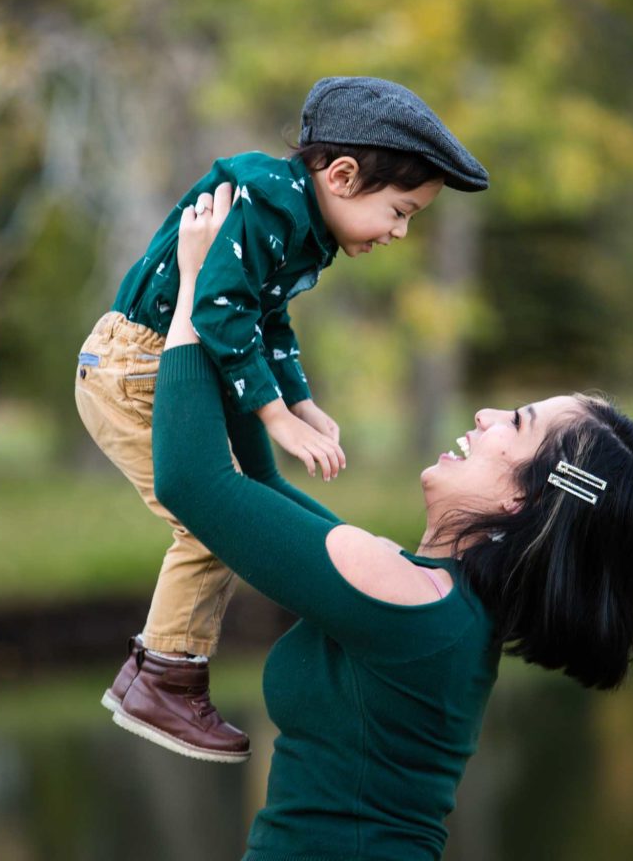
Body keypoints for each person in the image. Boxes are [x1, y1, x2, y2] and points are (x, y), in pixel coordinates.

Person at [136, 200, 633, 860]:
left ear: (519, 500)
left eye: (518, 424)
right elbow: (258, 486)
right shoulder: (429, 598)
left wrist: (192, 289)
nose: (487, 412)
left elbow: (195, 483)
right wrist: (239, 305)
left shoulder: (406, 597)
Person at [74, 76, 490, 761]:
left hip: (183, 362)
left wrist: (299, 399)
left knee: (256, 498)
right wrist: (275, 417)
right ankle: (165, 680)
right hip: (141, 370)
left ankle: (369, 579)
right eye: (400, 210)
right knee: (212, 524)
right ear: (346, 174)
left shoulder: (298, 220)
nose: (399, 231)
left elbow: (267, 314)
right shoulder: (267, 202)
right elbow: (220, 311)